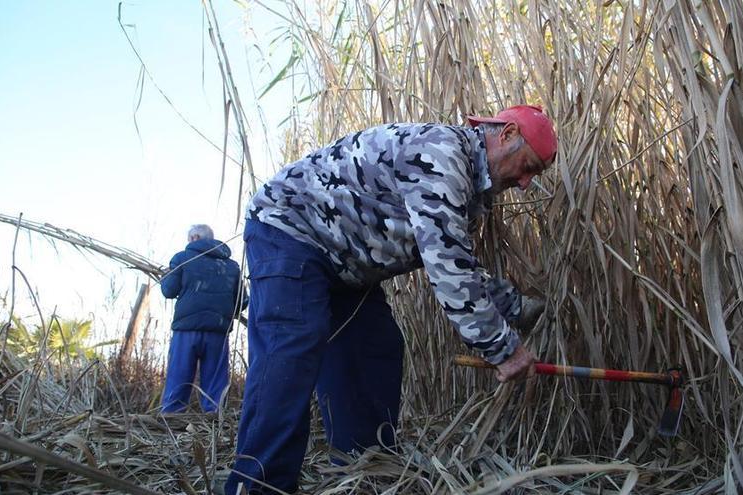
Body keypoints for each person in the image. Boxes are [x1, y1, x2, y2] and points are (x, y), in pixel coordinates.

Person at [226, 105, 557, 494]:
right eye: (528, 166)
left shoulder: (464, 183)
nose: (525, 184)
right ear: (506, 134)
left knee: (376, 348)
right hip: (290, 228)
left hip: (343, 262)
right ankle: (257, 485)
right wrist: (504, 349)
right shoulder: (443, 155)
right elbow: (449, 270)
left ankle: (362, 474)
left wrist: (515, 307)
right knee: (293, 345)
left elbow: (455, 259)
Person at [160, 224, 247, 413]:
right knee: (216, 384)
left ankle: (171, 420)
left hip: (186, 330)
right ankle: (215, 422)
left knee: (179, 377)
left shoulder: (182, 259)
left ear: (194, 238)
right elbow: (242, 301)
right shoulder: (231, 266)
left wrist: (164, 277)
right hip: (218, 332)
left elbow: (168, 290)